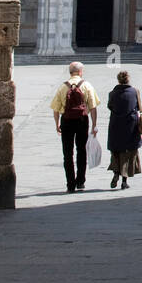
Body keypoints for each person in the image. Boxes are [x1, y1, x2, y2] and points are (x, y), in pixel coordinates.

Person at [50, 61, 100, 193]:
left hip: (66, 120)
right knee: (81, 151)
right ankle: (81, 182)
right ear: (80, 72)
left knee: (67, 153)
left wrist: (57, 124)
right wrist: (94, 125)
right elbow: (93, 107)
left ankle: (70, 184)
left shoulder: (62, 87)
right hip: (82, 121)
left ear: (70, 72)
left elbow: (55, 109)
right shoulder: (87, 85)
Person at [106, 69, 142, 190]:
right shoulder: (134, 91)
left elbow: (110, 106)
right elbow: (139, 107)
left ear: (118, 80)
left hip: (115, 125)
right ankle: (124, 181)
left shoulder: (112, 93)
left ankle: (116, 173)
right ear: (128, 79)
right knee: (128, 152)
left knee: (116, 151)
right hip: (130, 126)